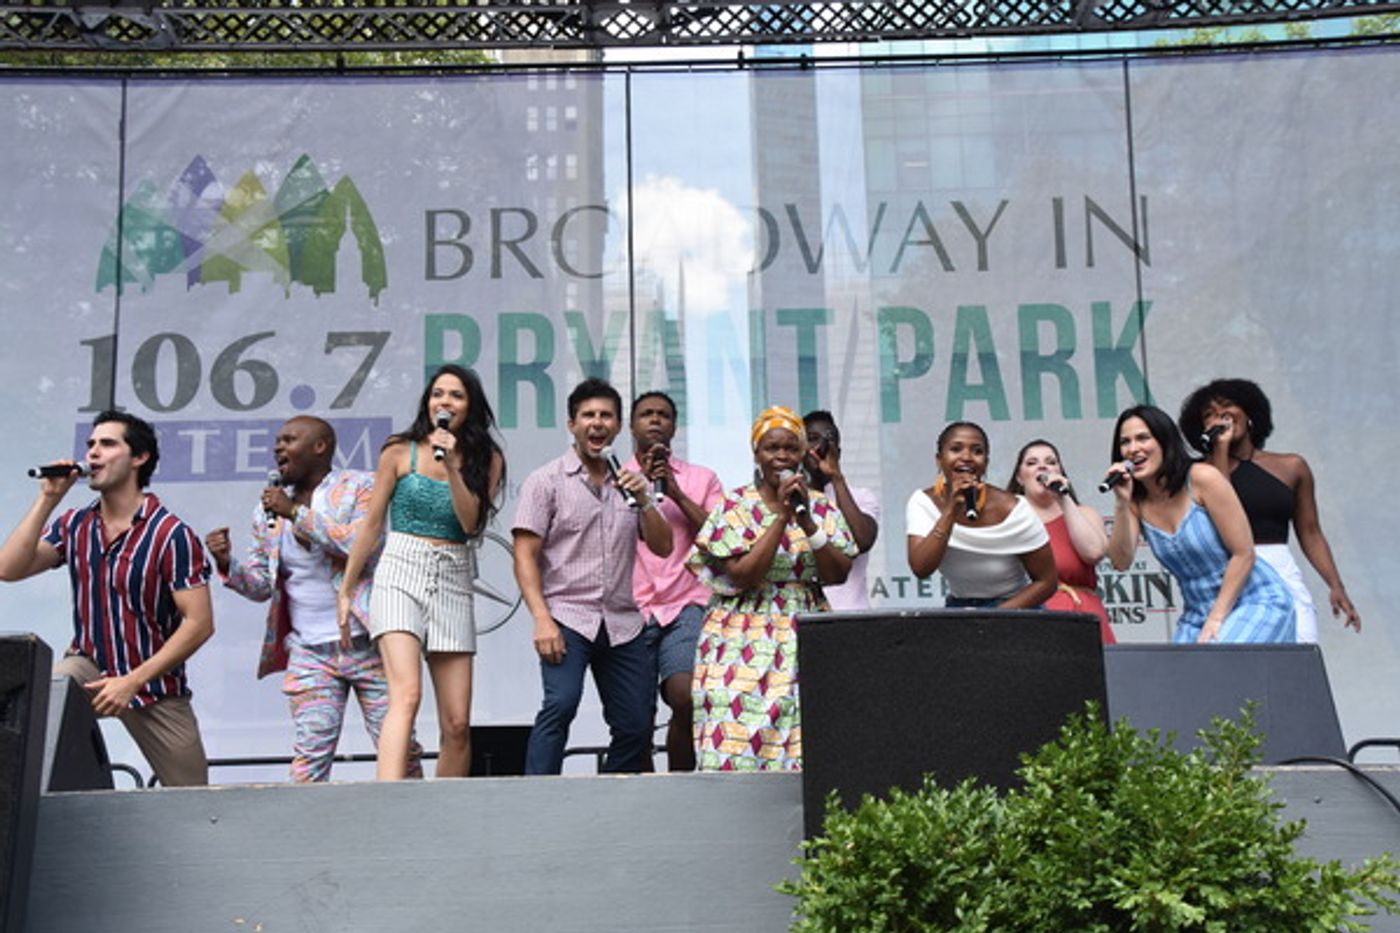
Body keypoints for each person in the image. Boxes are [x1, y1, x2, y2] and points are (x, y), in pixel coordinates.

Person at [0, 411, 213, 787]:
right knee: (41, 697)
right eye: (91, 444)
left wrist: (131, 681)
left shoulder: (170, 534)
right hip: (88, 667)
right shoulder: (74, 524)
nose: (93, 453)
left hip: (153, 685)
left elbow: (199, 624)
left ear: (139, 458)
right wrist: (48, 499)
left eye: (108, 444)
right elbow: (9, 568)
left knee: (195, 801)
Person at [206, 416, 422, 782]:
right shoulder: (267, 510)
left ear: (320, 447)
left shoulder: (359, 487)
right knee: (309, 761)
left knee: (402, 753)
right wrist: (227, 563)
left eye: (289, 440)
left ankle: (415, 817)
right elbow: (261, 586)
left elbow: (361, 544)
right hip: (310, 653)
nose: (278, 447)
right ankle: (304, 822)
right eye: (277, 441)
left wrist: (295, 514)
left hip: (369, 642)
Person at [338, 365, 505, 780]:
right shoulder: (400, 450)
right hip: (400, 569)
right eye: (438, 394)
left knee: (457, 722)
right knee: (406, 695)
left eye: (456, 395)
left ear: (471, 406)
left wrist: (452, 467)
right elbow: (372, 524)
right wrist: (347, 589)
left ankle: (443, 812)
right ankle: (389, 803)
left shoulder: (488, 460)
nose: (444, 402)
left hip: (453, 574)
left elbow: (470, 524)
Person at [513, 377, 673, 775]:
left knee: (637, 725)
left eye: (606, 416)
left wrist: (644, 501)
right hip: (567, 616)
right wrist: (541, 619)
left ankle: (606, 798)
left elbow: (663, 546)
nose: (597, 423)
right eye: (588, 415)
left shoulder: (631, 482)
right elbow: (524, 555)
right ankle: (536, 797)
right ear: (572, 424)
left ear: (618, 427)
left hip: (622, 621)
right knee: (561, 704)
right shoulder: (545, 481)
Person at [687, 405, 856, 771]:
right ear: (756, 453)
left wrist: (807, 522)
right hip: (739, 631)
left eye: (791, 448)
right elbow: (743, 576)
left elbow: (838, 572)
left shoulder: (820, 507)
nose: (781, 456)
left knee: (801, 728)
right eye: (771, 447)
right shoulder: (734, 505)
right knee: (730, 725)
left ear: (802, 454)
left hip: (802, 626)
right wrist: (782, 516)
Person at [1178, 378, 1360, 642]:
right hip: (1228, 576)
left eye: (1228, 406)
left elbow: (1310, 532)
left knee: (1298, 649)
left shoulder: (1291, 467)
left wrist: (1335, 585)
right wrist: (1220, 451)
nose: (1220, 416)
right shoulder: (1198, 474)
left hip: (1279, 568)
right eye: (1210, 414)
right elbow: (1225, 507)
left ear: (1249, 413)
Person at [1105, 405, 1295, 644]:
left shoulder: (1201, 478)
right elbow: (1120, 562)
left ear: (1165, 441)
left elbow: (1244, 553)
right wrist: (1121, 502)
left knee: (1214, 660)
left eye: (1143, 438)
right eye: (1125, 442)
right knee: (1173, 670)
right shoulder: (1135, 503)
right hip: (1197, 615)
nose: (1133, 449)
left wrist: (1216, 619)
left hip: (1255, 600)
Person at [625, 390, 723, 772]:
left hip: (687, 604)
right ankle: (646, 794)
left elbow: (723, 537)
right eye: (646, 414)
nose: (655, 420)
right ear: (632, 426)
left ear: (674, 427)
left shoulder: (702, 478)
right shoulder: (616, 478)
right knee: (636, 715)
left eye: (663, 415)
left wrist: (676, 493)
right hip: (632, 607)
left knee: (685, 697)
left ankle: (682, 785)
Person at [906, 422, 1057, 609]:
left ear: (985, 463)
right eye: (956, 449)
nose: (966, 457)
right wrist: (950, 511)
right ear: (939, 459)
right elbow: (921, 568)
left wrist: (994, 617)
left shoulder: (1015, 509)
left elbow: (1046, 581)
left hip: (1013, 608)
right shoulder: (923, 502)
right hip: (959, 607)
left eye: (977, 451)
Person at [1007, 439, 1114, 643]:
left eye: (1051, 462)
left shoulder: (1084, 513)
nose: (1042, 467)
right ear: (1019, 477)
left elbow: (1094, 553)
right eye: (1032, 463)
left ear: (1060, 473)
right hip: (1029, 622)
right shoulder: (1009, 519)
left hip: (1082, 619)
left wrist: (1063, 498)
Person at [801, 410, 880, 610]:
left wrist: (836, 477)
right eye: (812, 439)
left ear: (838, 452)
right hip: (803, 614)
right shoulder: (789, 499)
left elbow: (863, 541)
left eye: (828, 440)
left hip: (851, 614)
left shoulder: (862, 497)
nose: (819, 447)